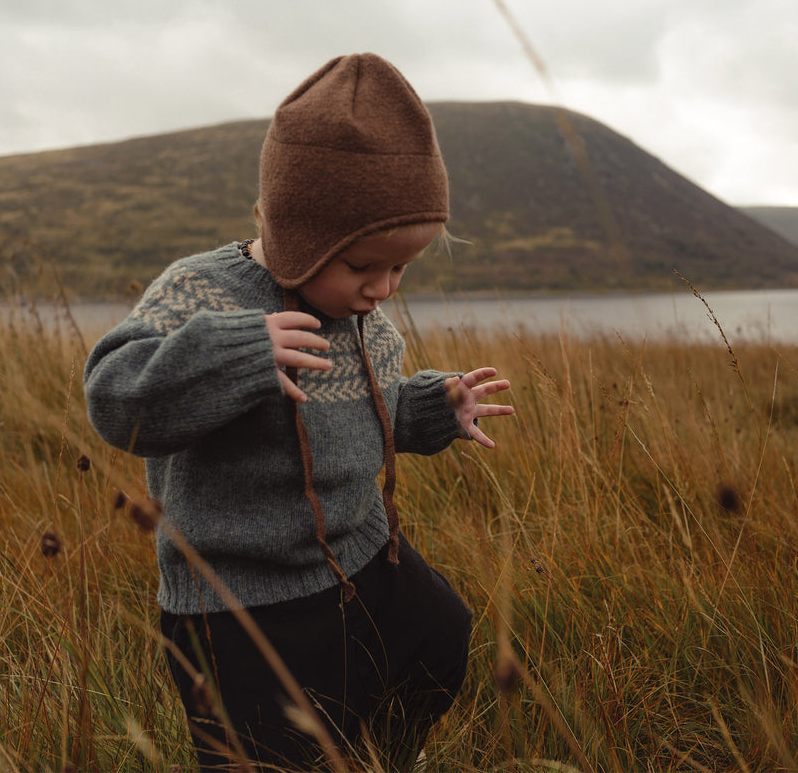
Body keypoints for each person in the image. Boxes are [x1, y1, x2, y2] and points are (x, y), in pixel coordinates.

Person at [84, 53, 514, 771]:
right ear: (297, 232)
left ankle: (372, 756)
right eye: (361, 266)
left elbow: (362, 415)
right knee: (269, 757)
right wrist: (238, 355)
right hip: (240, 608)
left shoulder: (364, 317)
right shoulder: (204, 292)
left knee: (442, 635)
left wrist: (433, 409)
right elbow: (115, 400)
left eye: (400, 268)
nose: (382, 288)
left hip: (366, 562)